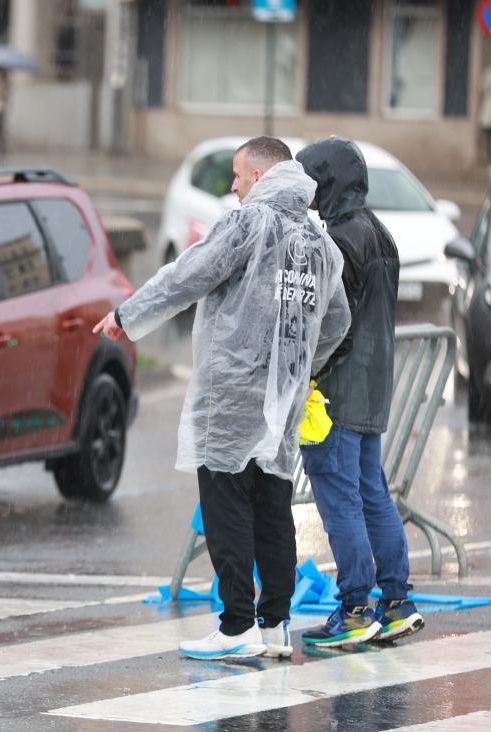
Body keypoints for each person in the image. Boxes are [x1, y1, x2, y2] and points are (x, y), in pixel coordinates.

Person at [94, 137, 351, 660]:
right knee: (272, 505)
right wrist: (295, 368)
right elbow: (337, 321)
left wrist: (128, 315)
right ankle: (275, 624)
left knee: (226, 505)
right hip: (281, 402)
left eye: (237, 175)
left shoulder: (247, 225)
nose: (232, 186)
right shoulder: (322, 246)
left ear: (259, 177)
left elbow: (188, 274)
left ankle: (236, 626)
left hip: (231, 393)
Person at [294, 137, 423, 648]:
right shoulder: (379, 233)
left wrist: (306, 375)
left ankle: (353, 609)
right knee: (373, 493)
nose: (303, 194)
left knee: (341, 497)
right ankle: (395, 602)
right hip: (373, 387)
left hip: (335, 394)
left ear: (326, 182)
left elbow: (334, 327)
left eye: (308, 182)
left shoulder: (339, 241)